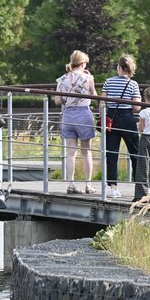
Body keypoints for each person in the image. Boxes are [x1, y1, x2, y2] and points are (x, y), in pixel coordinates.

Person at [53, 50, 97, 195]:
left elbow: (57, 100)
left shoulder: (62, 79)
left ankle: (71, 184)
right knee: (86, 152)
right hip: (83, 114)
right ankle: (88, 184)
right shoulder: (87, 78)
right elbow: (94, 95)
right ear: (83, 63)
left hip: (68, 115)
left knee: (71, 152)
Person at [100, 55, 141, 199]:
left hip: (111, 118)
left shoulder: (108, 82)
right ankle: (139, 187)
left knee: (111, 154)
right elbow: (136, 107)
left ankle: (113, 188)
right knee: (135, 153)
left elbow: (102, 103)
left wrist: (103, 117)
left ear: (119, 68)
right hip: (127, 118)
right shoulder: (133, 84)